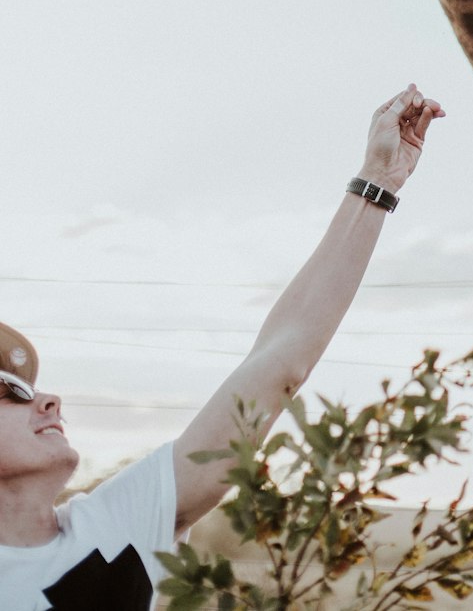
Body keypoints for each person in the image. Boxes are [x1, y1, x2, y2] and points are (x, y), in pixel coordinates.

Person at [0, 83, 444, 610]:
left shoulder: (119, 524)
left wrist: (377, 181)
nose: (48, 400)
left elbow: (282, 359)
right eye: (10, 394)